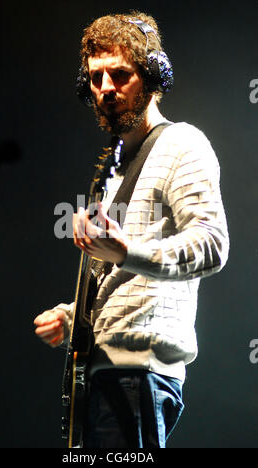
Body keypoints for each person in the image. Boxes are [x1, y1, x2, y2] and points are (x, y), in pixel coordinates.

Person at [34, 11, 229, 448]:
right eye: (95, 78)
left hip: (138, 376)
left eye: (119, 75)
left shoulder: (183, 144)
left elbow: (213, 245)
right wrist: (71, 316)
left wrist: (126, 251)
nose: (105, 89)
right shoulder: (114, 173)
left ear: (153, 76)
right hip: (102, 376)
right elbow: (120, 278)